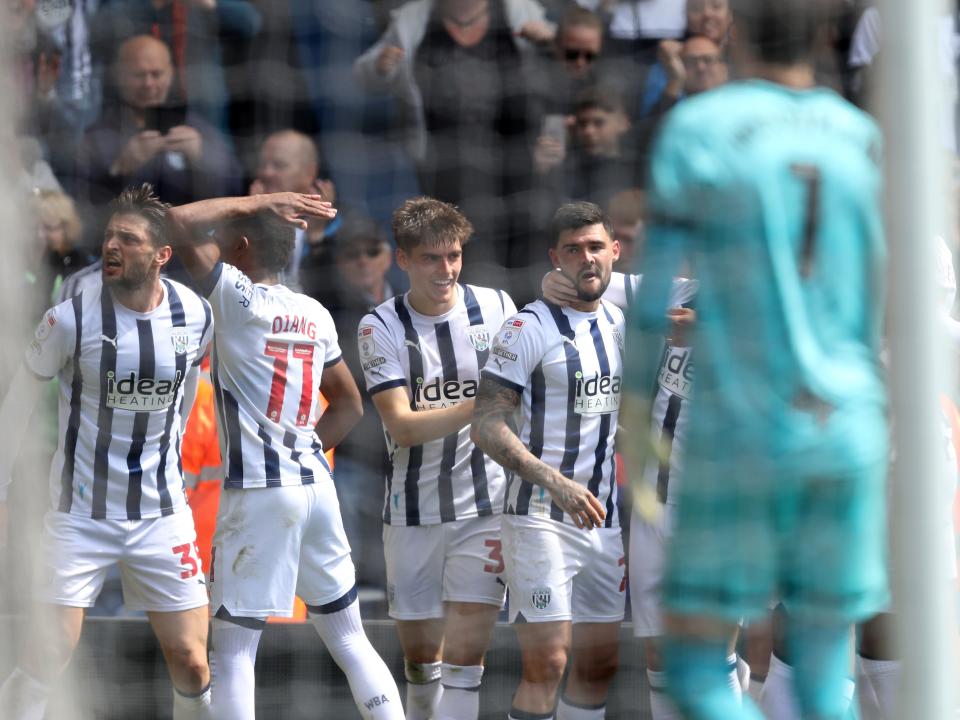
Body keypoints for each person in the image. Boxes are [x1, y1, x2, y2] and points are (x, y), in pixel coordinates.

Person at [626, 1, 888, 717]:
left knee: (698, 666)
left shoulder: (702, 123)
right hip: (847, 425)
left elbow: (654, 301)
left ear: (736, 36)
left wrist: (637, 417)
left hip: (745, 426)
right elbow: (872, 290)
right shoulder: (858, 132)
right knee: (821, 662)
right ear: (826, 37)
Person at [165, 190, 403, 720]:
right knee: (349, 637)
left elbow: (177, 220)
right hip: (317, 486)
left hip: (259, 496)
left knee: (231, 652)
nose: (219, 248)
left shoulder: (234, 297)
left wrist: (259, 201)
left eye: (227, 241)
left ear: (242, 244)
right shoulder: (313, 312)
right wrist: (305, 447)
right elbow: (349, 404)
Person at [0, 183, 215, 719]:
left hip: (162, 516)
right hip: (79, 517)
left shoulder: (196, 315)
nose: (112, 247)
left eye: (129, 239)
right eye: (108, 237)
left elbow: (186, 396)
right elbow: (18, 403)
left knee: (192, 660)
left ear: (163, 254)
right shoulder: (69, 317)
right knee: (48, 653)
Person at [359, 197, 516, 720]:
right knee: (422, 661)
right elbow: (401, 426)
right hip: (411, 513)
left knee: (466, 664)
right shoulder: (378, 326)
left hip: (485, 507)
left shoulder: (496, 308)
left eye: (453, 256)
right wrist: (487, 400)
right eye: (431, 258)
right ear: (403, 260)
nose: (446, 269)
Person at [472, 201, 626, 720]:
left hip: (606, 522)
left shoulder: (620, 323)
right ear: (554, 258)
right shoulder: (526, 327)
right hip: (540, 518)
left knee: (599, 662)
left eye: (596, 247)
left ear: (614, 252)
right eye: (574, 249)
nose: (587, 259)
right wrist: (554, 482)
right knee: (549, 659)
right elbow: (486, 425)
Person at [76, 35, 242, 222]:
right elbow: (82, 204)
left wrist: (202, 157)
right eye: (138, 75)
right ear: (120, 76)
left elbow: (236, 189)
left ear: (170, 74)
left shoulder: (197, 129)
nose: (148, 84)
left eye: (156, 74)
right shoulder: (99, 136)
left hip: (187, 242)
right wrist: (119, 169)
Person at [249, 129, 339, 294]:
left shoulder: (342, 226)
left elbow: (337, 293)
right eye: (263, 165)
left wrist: (317, 237)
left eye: (279, 165)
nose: (266, 173)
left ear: (310, 172)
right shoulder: (237, 219)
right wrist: (254, 219)